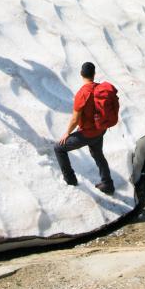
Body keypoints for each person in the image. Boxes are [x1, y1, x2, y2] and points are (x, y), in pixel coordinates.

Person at [54, 61, 115, 195]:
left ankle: (70, 180)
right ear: (94, 74)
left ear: (81, 74)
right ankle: (108, 184)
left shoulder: (82, 94)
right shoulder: (100, 89)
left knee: (58, 148)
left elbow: (75, 119)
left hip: (87, 134)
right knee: (98, 155)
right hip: (100, 130)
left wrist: (67, 133)